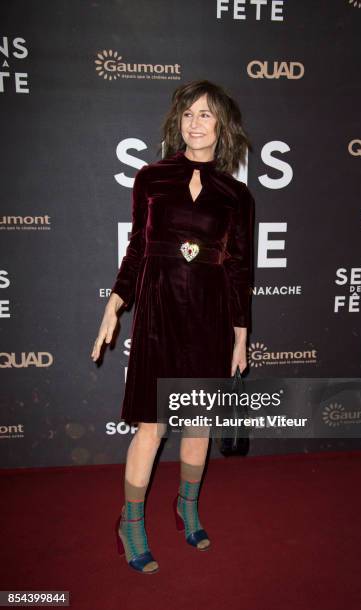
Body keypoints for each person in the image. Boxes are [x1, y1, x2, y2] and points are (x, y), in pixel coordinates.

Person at [91, 79, 255, 574]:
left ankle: (186, 506)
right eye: (187, 114)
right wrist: (115, 305)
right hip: (160, 314)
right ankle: (132, 521)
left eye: (205, 114)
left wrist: (241, 333)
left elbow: (238, 269)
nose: (195, 123)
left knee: (198, 424)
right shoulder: (152, 177)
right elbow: (138, 251)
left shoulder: (237, 194)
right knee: (151, 427)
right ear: (176, 122)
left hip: (208, 318)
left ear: (222, 125)